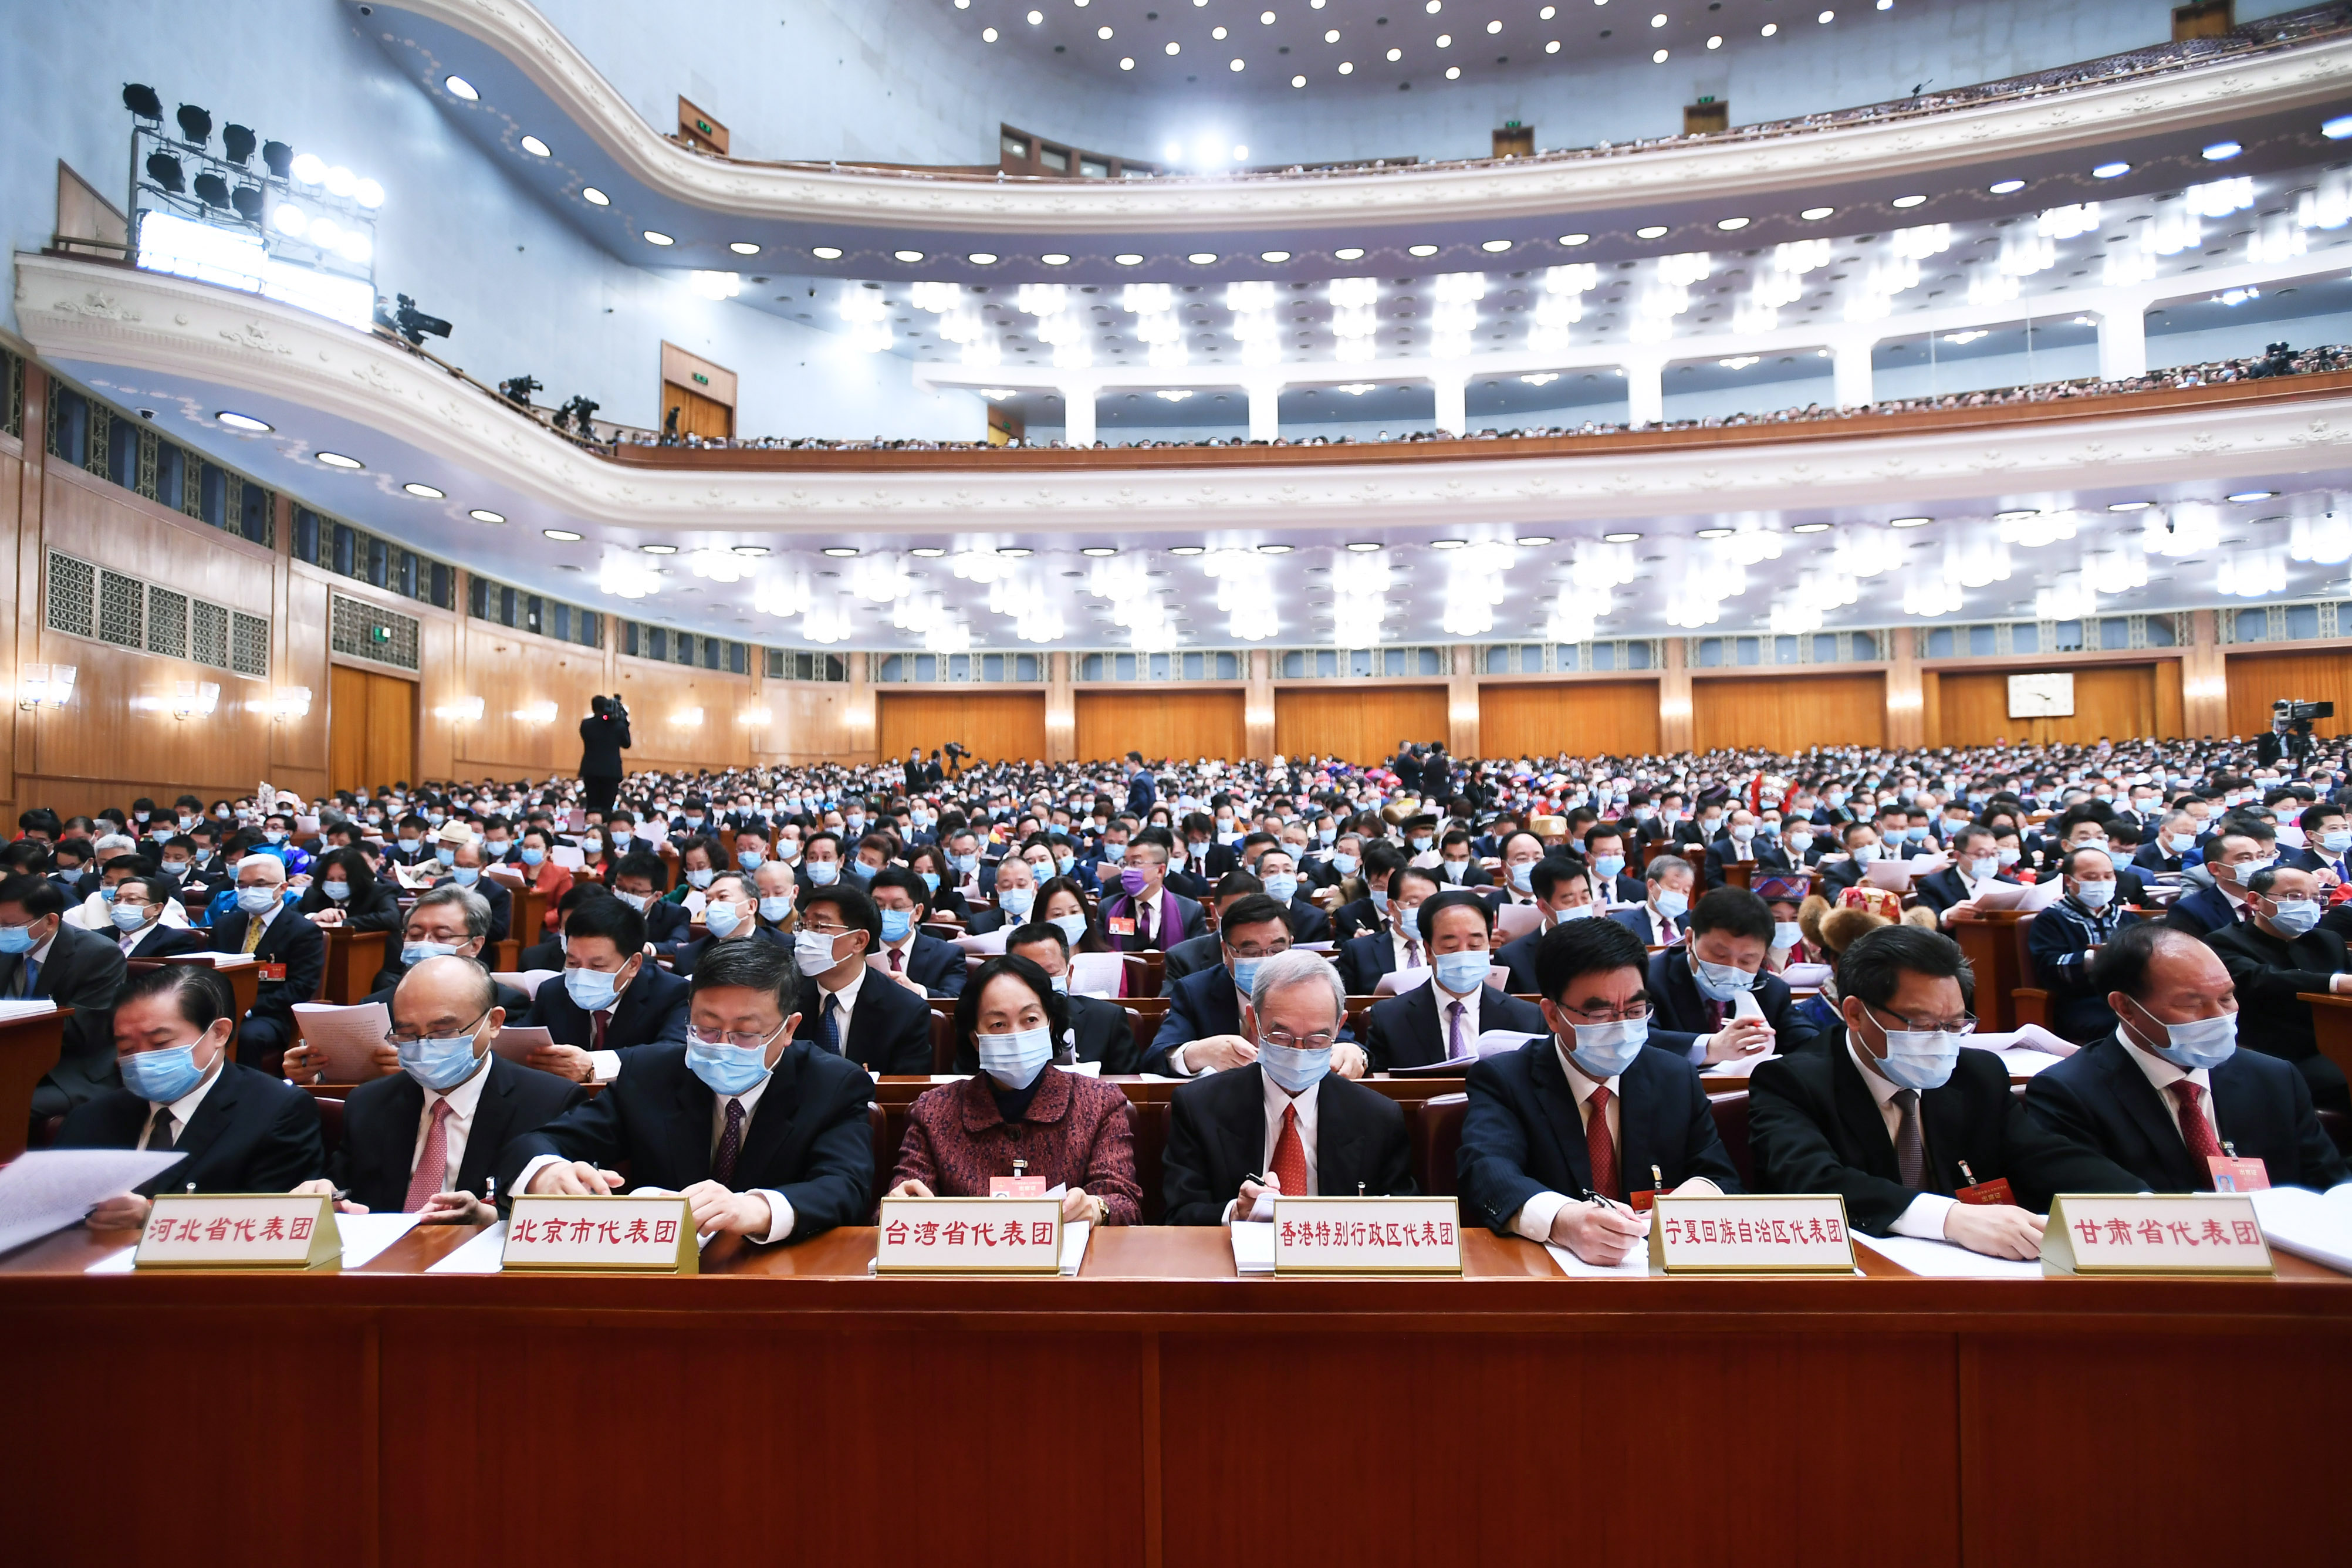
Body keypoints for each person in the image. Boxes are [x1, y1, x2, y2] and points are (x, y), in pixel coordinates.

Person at [1749, 926, 2120, 1258]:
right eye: (1922, 1024)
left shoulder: (1977, 1073)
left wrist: (2141, 1204)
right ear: (1856, 1015)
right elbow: (1811, 1181)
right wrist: (1950, 1219)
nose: (1942, 1040)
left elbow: (2043, 1155)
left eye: (1956, 1023)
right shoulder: (1792, 1081)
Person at [498, 938, 875, 1243]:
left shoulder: (832, 1085)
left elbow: (845, 1186)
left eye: (745, 1033)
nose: (721, 1044)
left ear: (789, 1029)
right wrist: (546, 1173)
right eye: (705, 1028)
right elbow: (536, 1144)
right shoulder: (651, 1074)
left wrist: (757, 1209)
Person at [1457, 918, 1741, 1264]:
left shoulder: (1674, 1075)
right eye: (1599, 1013)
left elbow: (1718, 1173)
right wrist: (1563, 1221)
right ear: (1553, 1016)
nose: (1621, 1026)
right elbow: (1488, 1174)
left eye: (1635, 1011)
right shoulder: (1505, 1079)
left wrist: (1690, 1203)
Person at [2023, 923, 2348, 1192]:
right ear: (2126, 1008)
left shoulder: (2275, 1078)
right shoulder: (2068, 1093)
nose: (2219, 1017)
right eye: (2192, 1004)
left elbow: (2329, 1186)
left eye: (2227, 997)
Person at [290, 956, 585, 1219]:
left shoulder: (548, 1102)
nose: (424, 1045)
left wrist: (491, 1217)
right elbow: (347, 1190)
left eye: (444, 1031)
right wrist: (328, 1194)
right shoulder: (369, 1102)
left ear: (493, 1022)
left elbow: (556, 1214)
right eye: (407, 1034)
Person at [1161, 949, 1415, 1224]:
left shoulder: (1377, 1117)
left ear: (1339, 1025)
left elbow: (1405, 1219)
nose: (1298, 1052)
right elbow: (1178, 1216)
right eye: (1281, 1036)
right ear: (1254, 1021)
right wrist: (1234, 1213)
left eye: (1317, 1040)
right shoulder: (1199, 1107)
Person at [59, 965, 324, 1225]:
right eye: (127, 1048)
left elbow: (271, 1222)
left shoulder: (277, 1112)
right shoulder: (90, 1117)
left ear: (219, 1033)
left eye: (160, 1043)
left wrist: (154, 1218)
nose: (141, 1059)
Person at [888, 954, 1141, 1225]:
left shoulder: (1099, 1102)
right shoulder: (933, 1111)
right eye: (998, 1024)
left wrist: (1097, 1208)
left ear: (1050, 1025)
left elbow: (1124, 1203)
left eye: (1030, 1019)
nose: (1016, 1035)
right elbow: (898, 1202)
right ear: (976, 1039)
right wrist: (901, 1207)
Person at [1149, 894, 1367, 1077]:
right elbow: (1157, 1056)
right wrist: (1197, 1054)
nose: (1267, 960)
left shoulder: (1314, 987)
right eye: (1251, 952)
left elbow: (1347, 1043)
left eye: (1277, 950)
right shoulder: (1195, 991)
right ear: (1226, 952)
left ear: (1291, 944)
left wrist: (1353, 1052)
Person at [2204, 865, 2352, 1113]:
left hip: (2341, 1039)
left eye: (2315, 898)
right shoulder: (2223, 941)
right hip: (2280, 1050)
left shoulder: (2327, 940)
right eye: (2295, 897)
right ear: (2255, 901)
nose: (2308, 904)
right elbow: (2260, 979)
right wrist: (2336, 983)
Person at [1362, 889, 1547, 1070]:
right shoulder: (1389, 1019)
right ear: (1428, 951)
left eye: (1475, 945)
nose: (1464, 954)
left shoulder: (1528, 1019)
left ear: (1488, 944)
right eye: (1450, 946)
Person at [1, 873, 131, 1118]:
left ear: (50, 921)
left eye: (10, 926)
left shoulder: (99, 954)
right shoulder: (5, 950)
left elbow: (82, 1032)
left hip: (68, 1069)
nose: (2, 932)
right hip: (10, 1057)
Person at [522, 895, 692, 1083]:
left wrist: (595, 1065)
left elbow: (673, 1052)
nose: (582, 975)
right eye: (573, 962)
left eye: (597, 966)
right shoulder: (553, 992)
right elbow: (521, 1041)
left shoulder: (673, 994)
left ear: (634, 964)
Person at [1646, 887, 1820, 1064]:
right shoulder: (1649, 980)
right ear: (1690, 940)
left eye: (1747, 961)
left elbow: (1807, 1042)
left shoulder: (1772, 990)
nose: (1731, 968)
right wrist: (1710, 1047)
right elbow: (1640, 1041)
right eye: (1719, 955)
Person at [958, 921, 1140, 1072]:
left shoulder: (1107, 1019)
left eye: (1050, 973)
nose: (1040, 984)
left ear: (1070, 971)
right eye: (1027, 975)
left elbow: (1128, 1090)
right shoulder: (983, 1021)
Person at [790, 881, 933, 1072]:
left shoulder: (905, 1012)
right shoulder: (784, 999)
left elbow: (902, 1094)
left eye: (818, 926)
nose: (805, 937)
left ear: (859, 941)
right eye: (803, 926)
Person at [208, 853, 325, 1072]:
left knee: (247, 1036)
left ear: (282, 888)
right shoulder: (224, 925)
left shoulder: (303, 931)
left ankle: (249, 1094)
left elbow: (300, 987)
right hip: (221, 1008)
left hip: (270, 1014)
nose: (249, 891)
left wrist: (247, 1008)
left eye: (259, 885)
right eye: (242, 885)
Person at [2026, 845, 2140, 1042]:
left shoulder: (2128, 919)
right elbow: (2048, 966)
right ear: (2070, 881)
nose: (2102, 883)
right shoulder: (2051, 919)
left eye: (2108, 876)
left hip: (2132, 998)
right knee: (2121, 1024)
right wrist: (2096, 958)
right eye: (2092, 877)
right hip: (2081, 1002)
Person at [1495, 859, 1598, 993]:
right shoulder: (1512, 958)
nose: (1580, 906)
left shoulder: (1609, 944)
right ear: (1543, 907)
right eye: (1569, 900)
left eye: (1585, 897)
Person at [866, 866, 967, 1000]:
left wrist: (917, 990)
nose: (886, 914)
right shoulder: (856, 952)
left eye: (897, 907)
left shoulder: (947, 955)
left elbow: (954, 1001)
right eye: (879, 906)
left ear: (918, 912)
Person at [1335, 864, 1439, 993]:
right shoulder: (1358, 952)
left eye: (1430, 904)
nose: (1423, 911)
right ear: (1392, 907)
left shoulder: (1448, 951)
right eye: (1413, 903)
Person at [1096, 833, 1205, 954]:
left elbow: (1198, 960)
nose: (1127, 870)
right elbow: (1099, 956)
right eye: (1125, 864)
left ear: (1160, 870)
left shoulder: (1190, 912)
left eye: (1135, 863)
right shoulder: (1108, 908)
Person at [2163, 827, 2270, 937]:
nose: (2257, 864)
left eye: (2261, 856)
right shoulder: (2189, 910)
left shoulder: (2275, 902)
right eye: (2246, 858)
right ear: (2215, 869)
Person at [294, 845, 403, 932]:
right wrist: (312, 917)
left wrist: (339, 925)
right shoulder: (313, 894)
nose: (335, 884)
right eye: (330, 879)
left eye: (343, 879)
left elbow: (390, 918)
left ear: (358, 878)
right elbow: (288, 916)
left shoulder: (380, 892)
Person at [107, 874, 206, 960]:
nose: (121, 905)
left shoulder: (176, 941)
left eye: (131, 899)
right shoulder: (98, 936)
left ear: (157, 908)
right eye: (117, 900)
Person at [1607, 853, 1695, 947]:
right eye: (1674, 888)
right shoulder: (1622, 924)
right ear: (1651, 886)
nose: (1679, 895)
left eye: (1686, 891)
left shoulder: (1696, 922)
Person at [511, 824, 575, 932]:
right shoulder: (514, 869)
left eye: (535, 847)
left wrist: (542, 920)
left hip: (545, 927)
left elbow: (566, 907)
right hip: (516, 923)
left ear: (548, 850)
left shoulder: (561, 873)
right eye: (526, 847)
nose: (530, 851)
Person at [577, 694, 631, 815]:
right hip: (611, 771)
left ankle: (592, 826)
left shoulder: (586, 724)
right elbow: (626, 744)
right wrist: (623, 721)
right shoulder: (618, 725)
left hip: (591, 770)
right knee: (607, 806)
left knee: (592, 804)